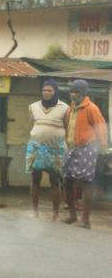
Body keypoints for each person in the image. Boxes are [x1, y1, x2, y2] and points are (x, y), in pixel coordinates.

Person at [62, 79, 108, 229]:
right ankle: (72, 216)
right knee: (67, 180)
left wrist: (102, 147)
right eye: (72, 92)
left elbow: (101, 127)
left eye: (77, 92)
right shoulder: (70, 109)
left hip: (88, 146)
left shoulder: (91, 108)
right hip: (72, 147)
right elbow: (68, 127)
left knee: (85, 181)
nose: (74, 95)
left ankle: (85, 220)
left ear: (83, 93)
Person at [26, 79, 68, 220]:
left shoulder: (65, 108)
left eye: (49, 90)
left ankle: (55, 213)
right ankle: (34, 211)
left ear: (55, 91)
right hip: (36, 148)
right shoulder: (33, 106)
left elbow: (67, 127)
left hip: (55, 150)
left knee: (55, 181)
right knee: (35, 179)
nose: (46, 92)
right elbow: (33, 124)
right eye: (44, 90)